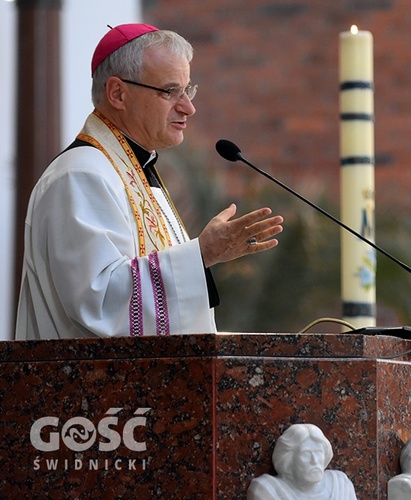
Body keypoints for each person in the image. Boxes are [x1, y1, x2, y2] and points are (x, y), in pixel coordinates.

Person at [15, 23, 283, 340]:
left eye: (188, 90)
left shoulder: (136, 173)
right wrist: (201, 255)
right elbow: (97, 303)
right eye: (170, 92)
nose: (188, 107)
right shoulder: (81, 175)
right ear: (117, 93)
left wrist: (201, 257)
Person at [247, 423, 357, 499]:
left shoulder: (341, 485)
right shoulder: (267, 491)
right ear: (289, 461)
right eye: (306, 454)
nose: (314, 460)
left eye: (318, 453)